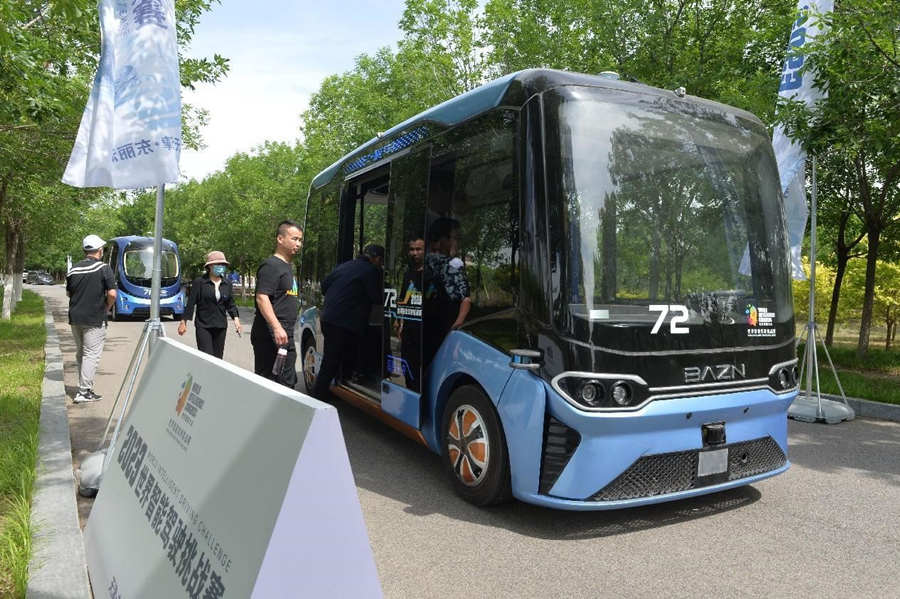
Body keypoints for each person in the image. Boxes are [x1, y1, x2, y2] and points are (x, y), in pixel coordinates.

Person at [311, 244, 384, 400]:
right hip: (344, 322)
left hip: (328, 318)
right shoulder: (370, 270)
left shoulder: (344, 266)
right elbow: (376, 297)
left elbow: (324, 286)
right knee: (331, 360)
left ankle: (342, 382)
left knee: (339, 354)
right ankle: (318, 397)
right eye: (381, 261)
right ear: (376, 258)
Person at [251, 220, 303, 387]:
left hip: (284, 335)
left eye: (300, 240)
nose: (298, 244)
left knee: (287, 382)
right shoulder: (271, 266)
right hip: (271, 337)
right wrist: (276, 327)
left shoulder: (287, 266)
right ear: (280, 239)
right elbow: (262, 297)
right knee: (271, 385)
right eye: (294, 239)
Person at [66, 234, 116, 404]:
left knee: (81, 353)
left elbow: (69, 293)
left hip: (75, 317)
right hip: (94, 318)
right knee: (91, 354)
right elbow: (112, 293)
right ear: (99, 251)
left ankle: (84, 387)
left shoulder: (73, 270)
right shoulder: (104, 268)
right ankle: (84, 391)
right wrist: (107, 308)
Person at [422, 217, 471, 370]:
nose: (457, 243)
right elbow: (466, 299)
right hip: (444, 331)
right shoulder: (451, 267)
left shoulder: (421, 265)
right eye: (455, 238)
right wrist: (458, 326)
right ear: (441, 241)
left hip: (426, 330)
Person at [178, 251, 242, 359]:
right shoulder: (200, 282)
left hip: (220, 326)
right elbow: (190, 303)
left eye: (222, 265)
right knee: (206, 358)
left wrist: (236, 321)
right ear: (210, 266)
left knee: (217, 360)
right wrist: (183, 322)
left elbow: (230, 304)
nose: (220, 267)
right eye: (217, 264)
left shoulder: (227, 284)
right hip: (204, 326)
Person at [398, 237, 425, 392]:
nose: (414, 253)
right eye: (412, 249)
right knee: (406, 363)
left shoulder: (430, 275)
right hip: (409, 328)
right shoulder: (408, 274)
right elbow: (403, 300)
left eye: (418, 249)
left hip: (425, 330)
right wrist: (400, 323)